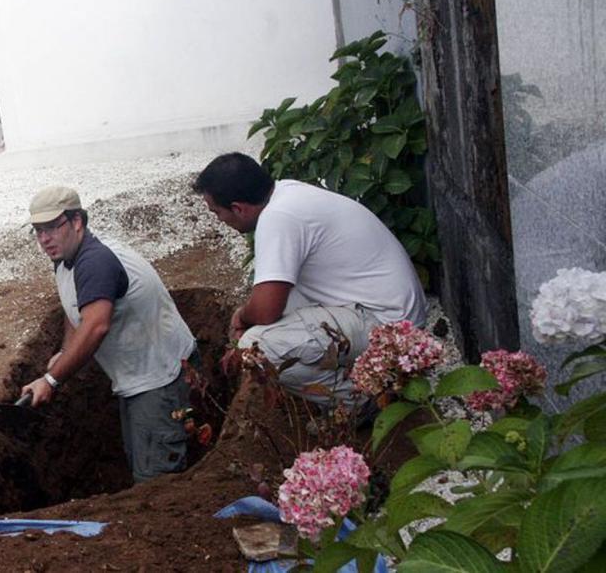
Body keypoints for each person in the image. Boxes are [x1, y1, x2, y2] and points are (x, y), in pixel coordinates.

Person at [192, 153, 427, 407]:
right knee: (283, 306)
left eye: (217, 213)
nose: (220, 221)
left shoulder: (278, 217)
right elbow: (274, 295)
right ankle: (356, 377)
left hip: (389, 329)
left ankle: (362, 404)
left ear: (238, 208)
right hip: (393, 313)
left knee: (256, 347)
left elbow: (266, 309)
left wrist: (241, 317)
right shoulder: (287, 193)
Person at [22, 186, 197, 483]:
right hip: (137, 377)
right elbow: (74, 306)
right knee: (141, 461)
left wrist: (52, 379)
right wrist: (66, 351)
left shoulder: (95, 261)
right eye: (38, 231)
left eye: (52, 227)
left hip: (160, 377)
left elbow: (96, 325)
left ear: (77, 221)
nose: (44, 239)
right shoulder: (67, 257)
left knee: (156, 477)